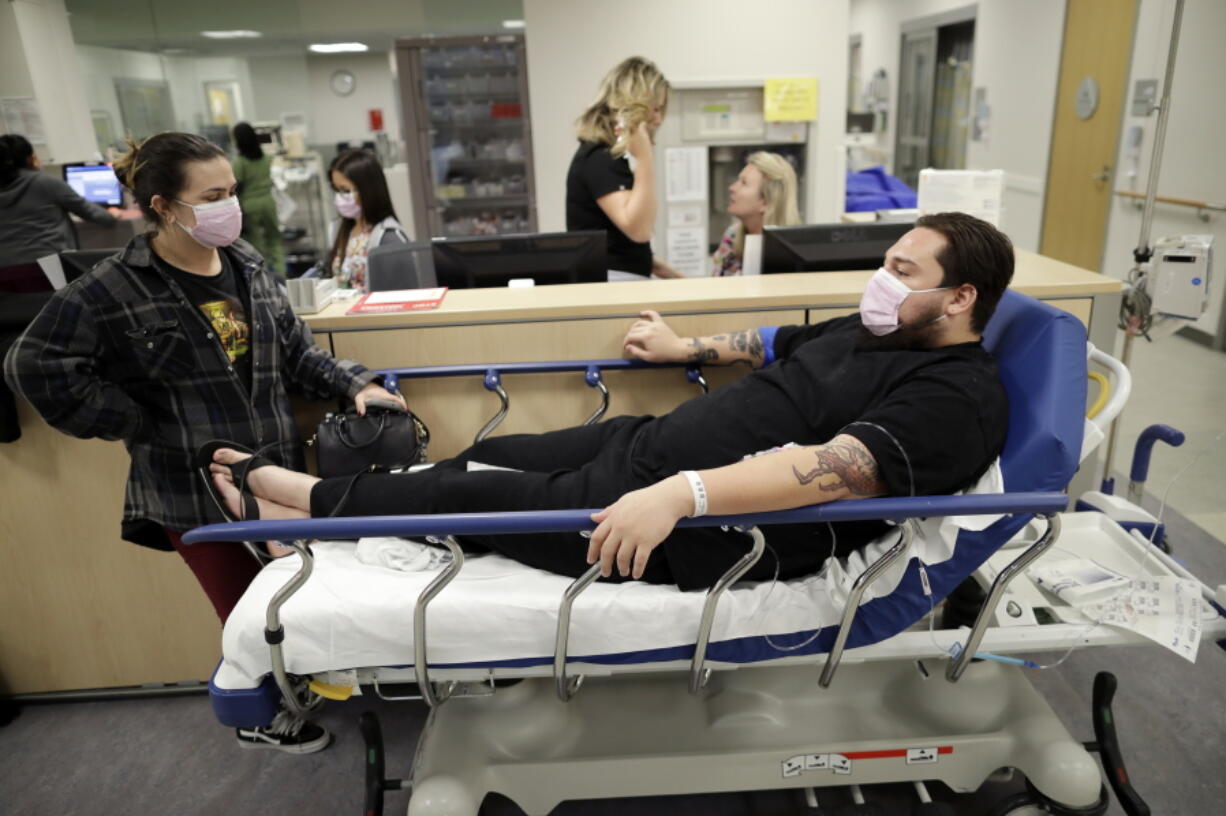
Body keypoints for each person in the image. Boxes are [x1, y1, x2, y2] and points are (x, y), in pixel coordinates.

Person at [206, 212, 1014, 591]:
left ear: (960, 297)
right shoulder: (879, 330)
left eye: (904, 273)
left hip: (695, 525)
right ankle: (343, 524)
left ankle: (302, 506)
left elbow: (838, 471)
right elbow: (774, 346)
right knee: (491, 455)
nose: (882, 280)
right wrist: (683, 350)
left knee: (469, 490)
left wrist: (676, 495)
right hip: (649, 447)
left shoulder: (956, 395)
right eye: (887, 260)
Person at [3, 131, 405, 753]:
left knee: (289, 601)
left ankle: (297, 691)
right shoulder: (114, 287)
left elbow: (295, 354)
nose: (229, 207)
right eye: (212, 195)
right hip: (189, 487)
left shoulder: (244, 262)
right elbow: (33, 365)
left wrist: (357, 384)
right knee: (245, 612)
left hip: (274, 471)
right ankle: (258, 715)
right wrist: (132, 421)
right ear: (163, 206)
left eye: (232, 192)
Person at [567, 56, 682, 281]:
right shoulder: (600, 157)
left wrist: (668, 273)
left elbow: (625, 244)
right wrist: (645, 157)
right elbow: (638, 229)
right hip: (613, 284)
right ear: (634, 104)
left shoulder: (607, 157)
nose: (658, 119)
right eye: (655, 109)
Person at [0, 134, 125, 291]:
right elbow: (99, 216)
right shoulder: (45, 182)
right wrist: (112, 214)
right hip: (46, 267)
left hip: (4, 272)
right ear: (30, 159)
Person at [326, 148, 408, 291]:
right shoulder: (339, 230)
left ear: (367, 190)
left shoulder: (389, 237)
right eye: (336, 189)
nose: (339, 197)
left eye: (345, 190)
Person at [711, 152, 801, 276]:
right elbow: (713, 290)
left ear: (766, 202)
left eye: (744, 183)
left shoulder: (791, 254)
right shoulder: (732, 236)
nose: (732, 187)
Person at [230, 122, 284, 279]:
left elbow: (237, 187)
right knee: (274, 239)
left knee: (256, 243)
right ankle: (281, 274)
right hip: (268, 202)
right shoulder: (266, 159)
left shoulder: (240, 162)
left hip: (250, 204)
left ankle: (264, 277)